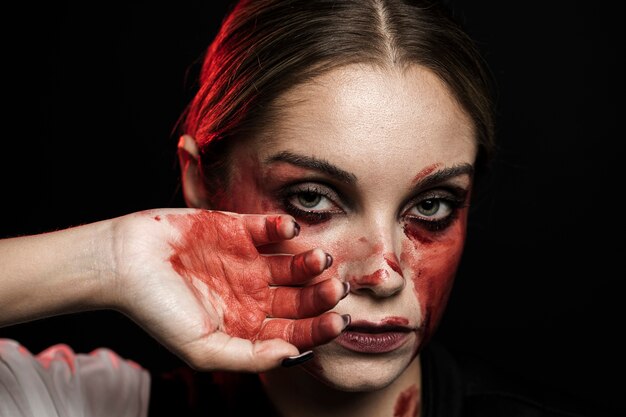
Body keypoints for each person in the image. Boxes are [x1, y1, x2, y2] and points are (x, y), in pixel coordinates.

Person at [0, 0, 611, 416]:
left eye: (431, 205)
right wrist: (110, 259)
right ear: (203, 186)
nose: (383, 271)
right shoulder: (84, 404)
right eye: (313, 199)